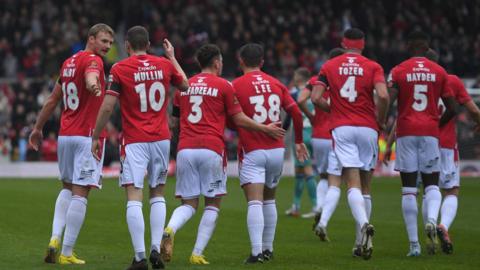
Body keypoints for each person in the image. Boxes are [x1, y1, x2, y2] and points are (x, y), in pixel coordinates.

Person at [161, 44, 285, 265]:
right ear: (217, 63)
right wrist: (265, 128)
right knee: (212, 205)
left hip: (185, 149)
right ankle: (197, 253)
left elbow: (174, 119)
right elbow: (238, 119)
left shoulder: (184, 86)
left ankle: (170, 227)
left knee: (188, 205)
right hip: (211, 149)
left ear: (200, 63)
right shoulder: (224, 85)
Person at [91, 26, 188, 270]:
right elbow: (185, 85)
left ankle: (140, 257)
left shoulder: (120, 68)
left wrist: (95, 134)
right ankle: (156, 248)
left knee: (134, 196)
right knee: (157, 193)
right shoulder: (164, 65)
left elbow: (107, 106)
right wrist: (172, 57)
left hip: (135, 140)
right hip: (161, 139)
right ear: (148, 44)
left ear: (127, 45)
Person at [29, 23, 114, 265]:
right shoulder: (94, 61)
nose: (107, 47)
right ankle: (67, 252)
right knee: (81, 193)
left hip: (65, 136)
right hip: (88, 136)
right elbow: (91, 76)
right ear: (91, 39)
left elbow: (53, 99)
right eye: (104, 41)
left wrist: (37, 128)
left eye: (110, 43)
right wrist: (93, 84)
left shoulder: (68, 63)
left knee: (66, 188)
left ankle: (55, 238)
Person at [385, 49, 480, 255]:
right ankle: (442, 225)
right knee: (450, 190)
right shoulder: (450, 80)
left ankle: (422, 238)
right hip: (444, 144)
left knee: (419, 190)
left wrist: (390, 141)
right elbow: (472, 109)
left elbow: (402, 115)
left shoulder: (408, 77)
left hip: (413, 138)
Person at [311, 28, 389, 260]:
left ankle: (364, 223)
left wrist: (333, 110)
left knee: (351, 181)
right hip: (367, 127)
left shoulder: (330, 65)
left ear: (343, 44)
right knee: (366, 185)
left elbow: (315, 97)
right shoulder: (373, 66)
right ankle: (359, 243)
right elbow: (383, 96)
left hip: (342, 127)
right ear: (362, 45)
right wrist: (381, 120)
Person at [232, 43, 308, 263]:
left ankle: (256, 252)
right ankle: (268, 249)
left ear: (241, 61)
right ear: (262, 62)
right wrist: (299, 141)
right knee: (270, 200)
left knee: (254, 202)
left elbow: (230, 118)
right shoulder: (277, 83)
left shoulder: (236, 85)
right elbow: (296, 113)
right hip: (276, 151)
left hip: (252, 149)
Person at [387, 31, 456, 256]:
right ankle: (432, 220)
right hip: (430, 133)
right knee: (432, 185)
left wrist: (382, 121)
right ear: (427, 50)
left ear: (409, 48)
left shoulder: (399, 70)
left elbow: (389, 98)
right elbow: (453, 108)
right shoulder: (439, 71)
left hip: (406, 131)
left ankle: (414, 245)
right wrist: (436, 124)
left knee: (408, 190)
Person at [297, 48, 345, 243]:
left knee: (322, 175)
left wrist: (312, 117)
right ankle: (323, 216)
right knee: (337, 179)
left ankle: (318, 207)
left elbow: (301, 99)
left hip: (317, 134)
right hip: (337, 133)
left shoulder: (319, 77)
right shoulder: (345, 77)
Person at [283, 67, 318, 218]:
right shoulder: (316, 92)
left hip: (300, 135)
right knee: (299, 171)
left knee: (308, 170)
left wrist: (281, 131)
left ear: (298, 78)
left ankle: (317, 206)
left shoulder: (295, 94)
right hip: (313, 133)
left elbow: (290, 116)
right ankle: (295, 206)